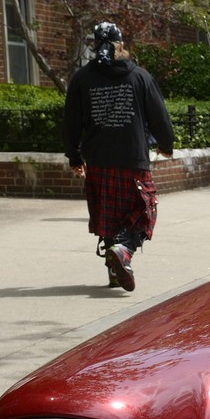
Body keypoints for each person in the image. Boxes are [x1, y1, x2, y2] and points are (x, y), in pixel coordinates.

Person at [63, 22, 175, 291]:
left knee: (109, 216)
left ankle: (115, 271)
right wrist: (166, 144)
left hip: (98, 159)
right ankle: (125, 249)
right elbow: (158, 115)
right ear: (121, 44)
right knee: (144, 211)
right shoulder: (139, 76)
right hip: (132, 157)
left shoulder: (82, 79)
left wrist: (75, 157)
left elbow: (71, 122)